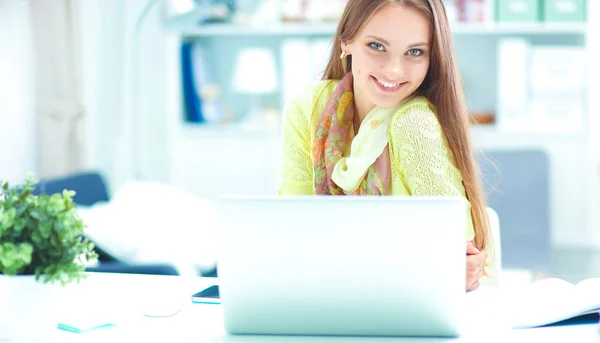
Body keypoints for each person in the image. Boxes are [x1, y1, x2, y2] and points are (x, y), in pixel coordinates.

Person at [278, 0, 493, 291]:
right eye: (377, 46)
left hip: (409, 301)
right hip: (327, 293)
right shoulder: (307, 109)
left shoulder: (413, 123)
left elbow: (461, 254)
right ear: (347, 40)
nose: (393, 70)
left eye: (415, 52)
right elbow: (292, 231)